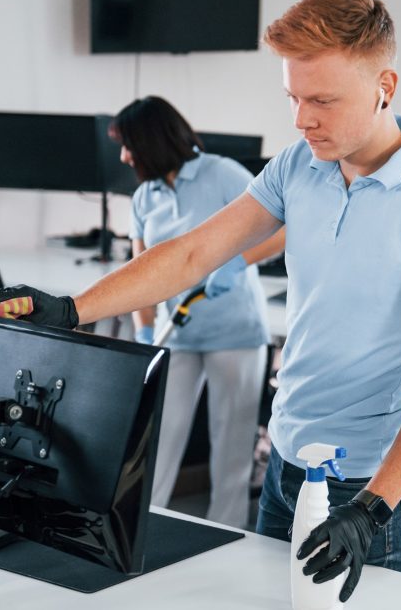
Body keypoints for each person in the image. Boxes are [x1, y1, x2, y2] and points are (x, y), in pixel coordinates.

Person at [0, 0, 401, 603]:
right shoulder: (299, 165)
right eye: (293, 98)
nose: (301, 119)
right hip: (286, 463)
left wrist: (372, 508)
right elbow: (192, 253)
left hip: (370, 486)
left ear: (384, 87)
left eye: (322, 100)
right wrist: (70, 309)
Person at [109, 95, 282, 527]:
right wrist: (144, 333)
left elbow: (282, 228)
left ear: (152, 140)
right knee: (157, 441)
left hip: (234, 333)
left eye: (128, 144)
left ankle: (226, 537)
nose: (124, 156)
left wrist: (237, 261)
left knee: (232, 450)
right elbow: (142, 274)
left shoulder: (221, 174)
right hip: (178, 335)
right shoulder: (144, 198)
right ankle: (142, 532)